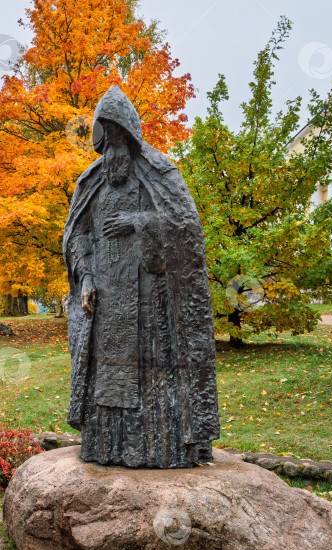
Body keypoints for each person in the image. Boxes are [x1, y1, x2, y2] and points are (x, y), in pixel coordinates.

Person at [63, 85, 219, 468]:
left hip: (150, 304)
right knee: (108, 378)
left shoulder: (159, 173)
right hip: (105, 301)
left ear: (131, 137)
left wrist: (137, 221)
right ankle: (105, 448)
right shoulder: (91, 181)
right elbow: (77, 233)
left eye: (120, 138)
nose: (113, 149)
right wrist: (85, 277)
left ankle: (160, 449)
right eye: (107, 139)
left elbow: (185, 229)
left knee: (154, 378)